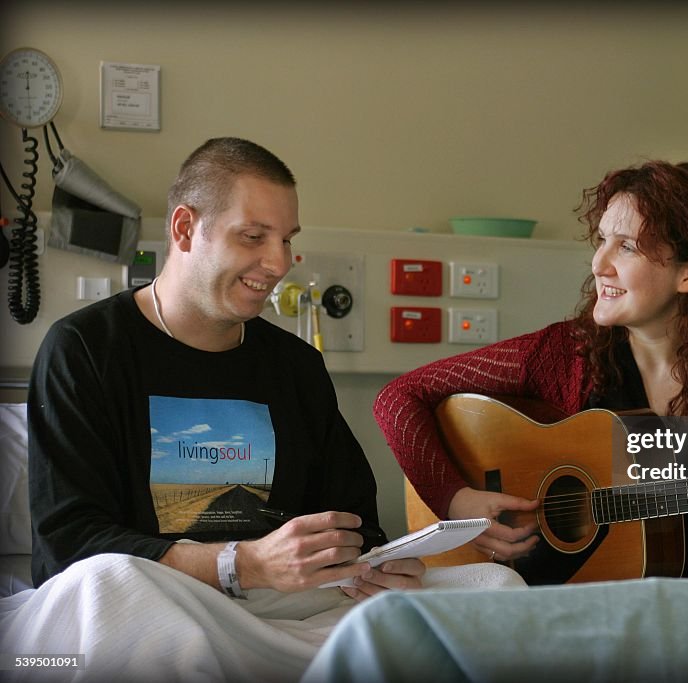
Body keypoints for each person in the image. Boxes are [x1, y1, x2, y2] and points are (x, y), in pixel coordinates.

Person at [5, 138, 521, 681]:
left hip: (282, 612)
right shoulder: (86, 349)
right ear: (184, 229)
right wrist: (241, 563)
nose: (278, 263)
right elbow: (69, 546)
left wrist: (378, 567)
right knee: (109, 588)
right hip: (158, 604)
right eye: (253, 237)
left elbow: (355, 522)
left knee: (496, 591)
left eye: (286, 240)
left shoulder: (295, 367)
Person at [374, 160, 688, 578]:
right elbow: (397, 398)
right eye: (602, 241)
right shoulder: (565, 354)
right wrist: (457, 499)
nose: (599, 264)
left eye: (628, 247)